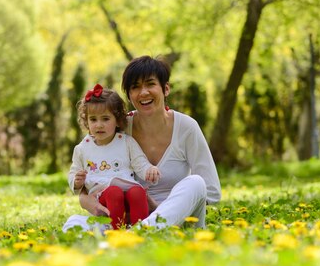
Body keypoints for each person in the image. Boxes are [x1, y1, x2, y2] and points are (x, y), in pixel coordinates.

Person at [63, 55, 221, 232]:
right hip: (132, 217)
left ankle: (143, 231)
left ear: (165, 88)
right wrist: (85, 200)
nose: (143, 92)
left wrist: (164, 208)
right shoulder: (118, 128)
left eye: (150, 84)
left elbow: (211, 191)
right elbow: (95, 171)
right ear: (129, 96)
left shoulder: (187, 127)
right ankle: (137, 231)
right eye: (135, 87)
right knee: (73, 224)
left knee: (196, 182)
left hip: (178, 216)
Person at [68, 83, 161, 229]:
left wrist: (149, 170)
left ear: (117, 120)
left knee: (138, 191)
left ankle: (140, 230)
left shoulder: (126, 142)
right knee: (114, 192)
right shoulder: (82, 148)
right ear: (86, 121)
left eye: (105, 119)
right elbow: (73, 173)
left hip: (128, 190)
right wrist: (77, 181)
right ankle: (115, 231)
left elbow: (140, 163)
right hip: (103, 196)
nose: (99, 125)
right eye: (93, 119)